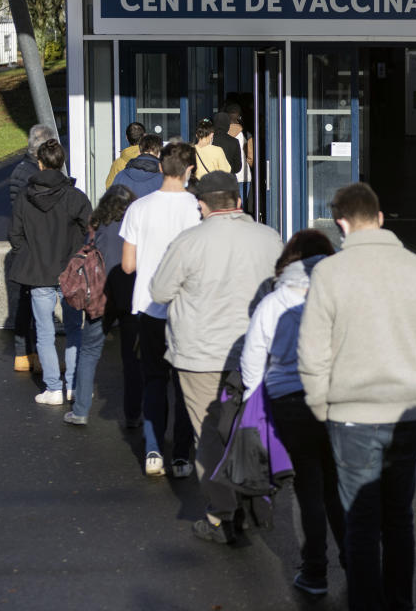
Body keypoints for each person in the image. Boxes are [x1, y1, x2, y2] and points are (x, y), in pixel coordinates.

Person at [297, 182, 416, 611]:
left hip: (350, 414)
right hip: (407, 411)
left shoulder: (328, 273)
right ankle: (400, 603)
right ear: (381, 218)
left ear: (341, 224)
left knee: (360, 523)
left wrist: (319, 406)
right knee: (399, 519)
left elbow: (311, 352)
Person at [150, 170, 283, 544]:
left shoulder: (188, 241)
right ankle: (250, 501)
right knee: (247, 428)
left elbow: (160, 292)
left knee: (207, 434)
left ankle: (220, 515)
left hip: (199, 354)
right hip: (253, 352)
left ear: (202, 205)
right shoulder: (268, 237)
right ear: (239, 202)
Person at [240, 229, 345, 596]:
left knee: (308, 485)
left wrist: (254, 404)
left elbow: (253, 356)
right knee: (339, 485)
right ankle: (355, 560)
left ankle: (315, 573)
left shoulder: (275, 299)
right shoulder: (341, 295)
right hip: (336, 398)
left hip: (289, 401)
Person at [120, 142, 200, 477]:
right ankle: (182, 456)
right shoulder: (198, 208)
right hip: (187, 309)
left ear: (160, 167)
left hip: (148, 307)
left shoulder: (139, 209)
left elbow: (127, 265)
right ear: (190, 171)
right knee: (184, 384)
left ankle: (153, 450)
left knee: (153, 379)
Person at [8, 139, 91, 405]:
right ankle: (74, 386)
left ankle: (53, 388)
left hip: (37, 271)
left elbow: (15, 235)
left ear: (40, 163)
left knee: (44, 332)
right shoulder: (75, 196)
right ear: (61, 162)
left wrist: (29, 254)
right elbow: (91, 231)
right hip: (70, 272)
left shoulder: (25, 197)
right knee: (74, 330)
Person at [64, 185, 139, 426]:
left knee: (89, 352)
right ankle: (132, 416)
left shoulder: (96, 227)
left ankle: (81, 410)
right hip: (130, 296)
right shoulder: (136, 227)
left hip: (100, 296)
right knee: (132, 358)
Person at [5, 123, 54, 373]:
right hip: (31, 247)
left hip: (24, 247)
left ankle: (26, 354)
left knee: (25, 304)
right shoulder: (31, 173)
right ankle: (26, 353)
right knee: (27, 305)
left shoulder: (21, 170)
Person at [111, 133, 164, 198]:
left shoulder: (121, 176)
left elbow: (112, 203)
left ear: (139, 151)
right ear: (159, 153)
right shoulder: (164, 179)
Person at [224, 103, 253, 207]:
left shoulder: (220, 134)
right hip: (243, 175)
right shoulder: (246, 134)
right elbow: (250, 157)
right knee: (241, 208)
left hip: (225, 176)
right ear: (239, 116)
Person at [105, 122, 146, 188]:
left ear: (126, 137)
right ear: (144, 136)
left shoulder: (118, 164)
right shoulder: (153, 159)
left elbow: (110, 188)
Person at [212, 111, 241, 177]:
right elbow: (238, 167)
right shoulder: (234, 142)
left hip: (213, 179)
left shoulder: (210, 141)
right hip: (229, 179)